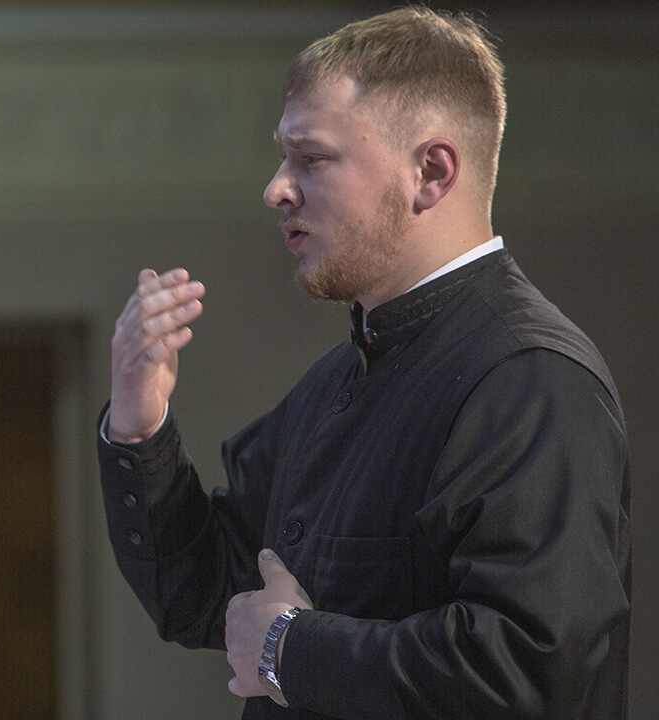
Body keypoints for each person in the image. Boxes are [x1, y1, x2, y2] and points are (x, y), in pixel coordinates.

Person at [97, 7, 631, 719]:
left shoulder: (534, 380)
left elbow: (528, 672)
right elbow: (203, 597)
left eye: (311, 158)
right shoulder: (333, 384)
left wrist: (287, 650)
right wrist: (139, 424)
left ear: (431, 172)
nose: (276, 188)